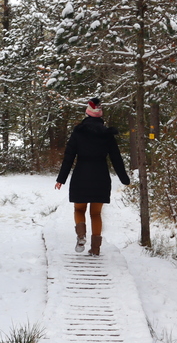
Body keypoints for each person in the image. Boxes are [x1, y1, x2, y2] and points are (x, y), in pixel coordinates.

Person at [55, 98, 131, 255]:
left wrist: (61, 179)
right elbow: (116, 158)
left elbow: (68, 157)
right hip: (101, 176)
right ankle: (95, 248)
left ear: (87, 114)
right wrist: (124, 179)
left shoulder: (78, 132)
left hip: (81, 174)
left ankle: (81, 235)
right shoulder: (107, 134)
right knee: (96, 213)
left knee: (79, 209)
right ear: (100, 115)